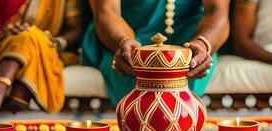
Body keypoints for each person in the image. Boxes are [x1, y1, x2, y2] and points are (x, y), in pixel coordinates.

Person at [81, 0, 230, 107]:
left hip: (190, 39)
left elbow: (217, 10)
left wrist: (203, 43)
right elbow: (107, 11)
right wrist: (124, 42)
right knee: (139, 86)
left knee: (181, 76)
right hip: (123, 37)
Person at [0, 0, 82, 113]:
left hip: (46, 45)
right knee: (29, 36)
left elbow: (76, 29)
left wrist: (57, 42)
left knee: (31, 35)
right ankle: (19, 96)